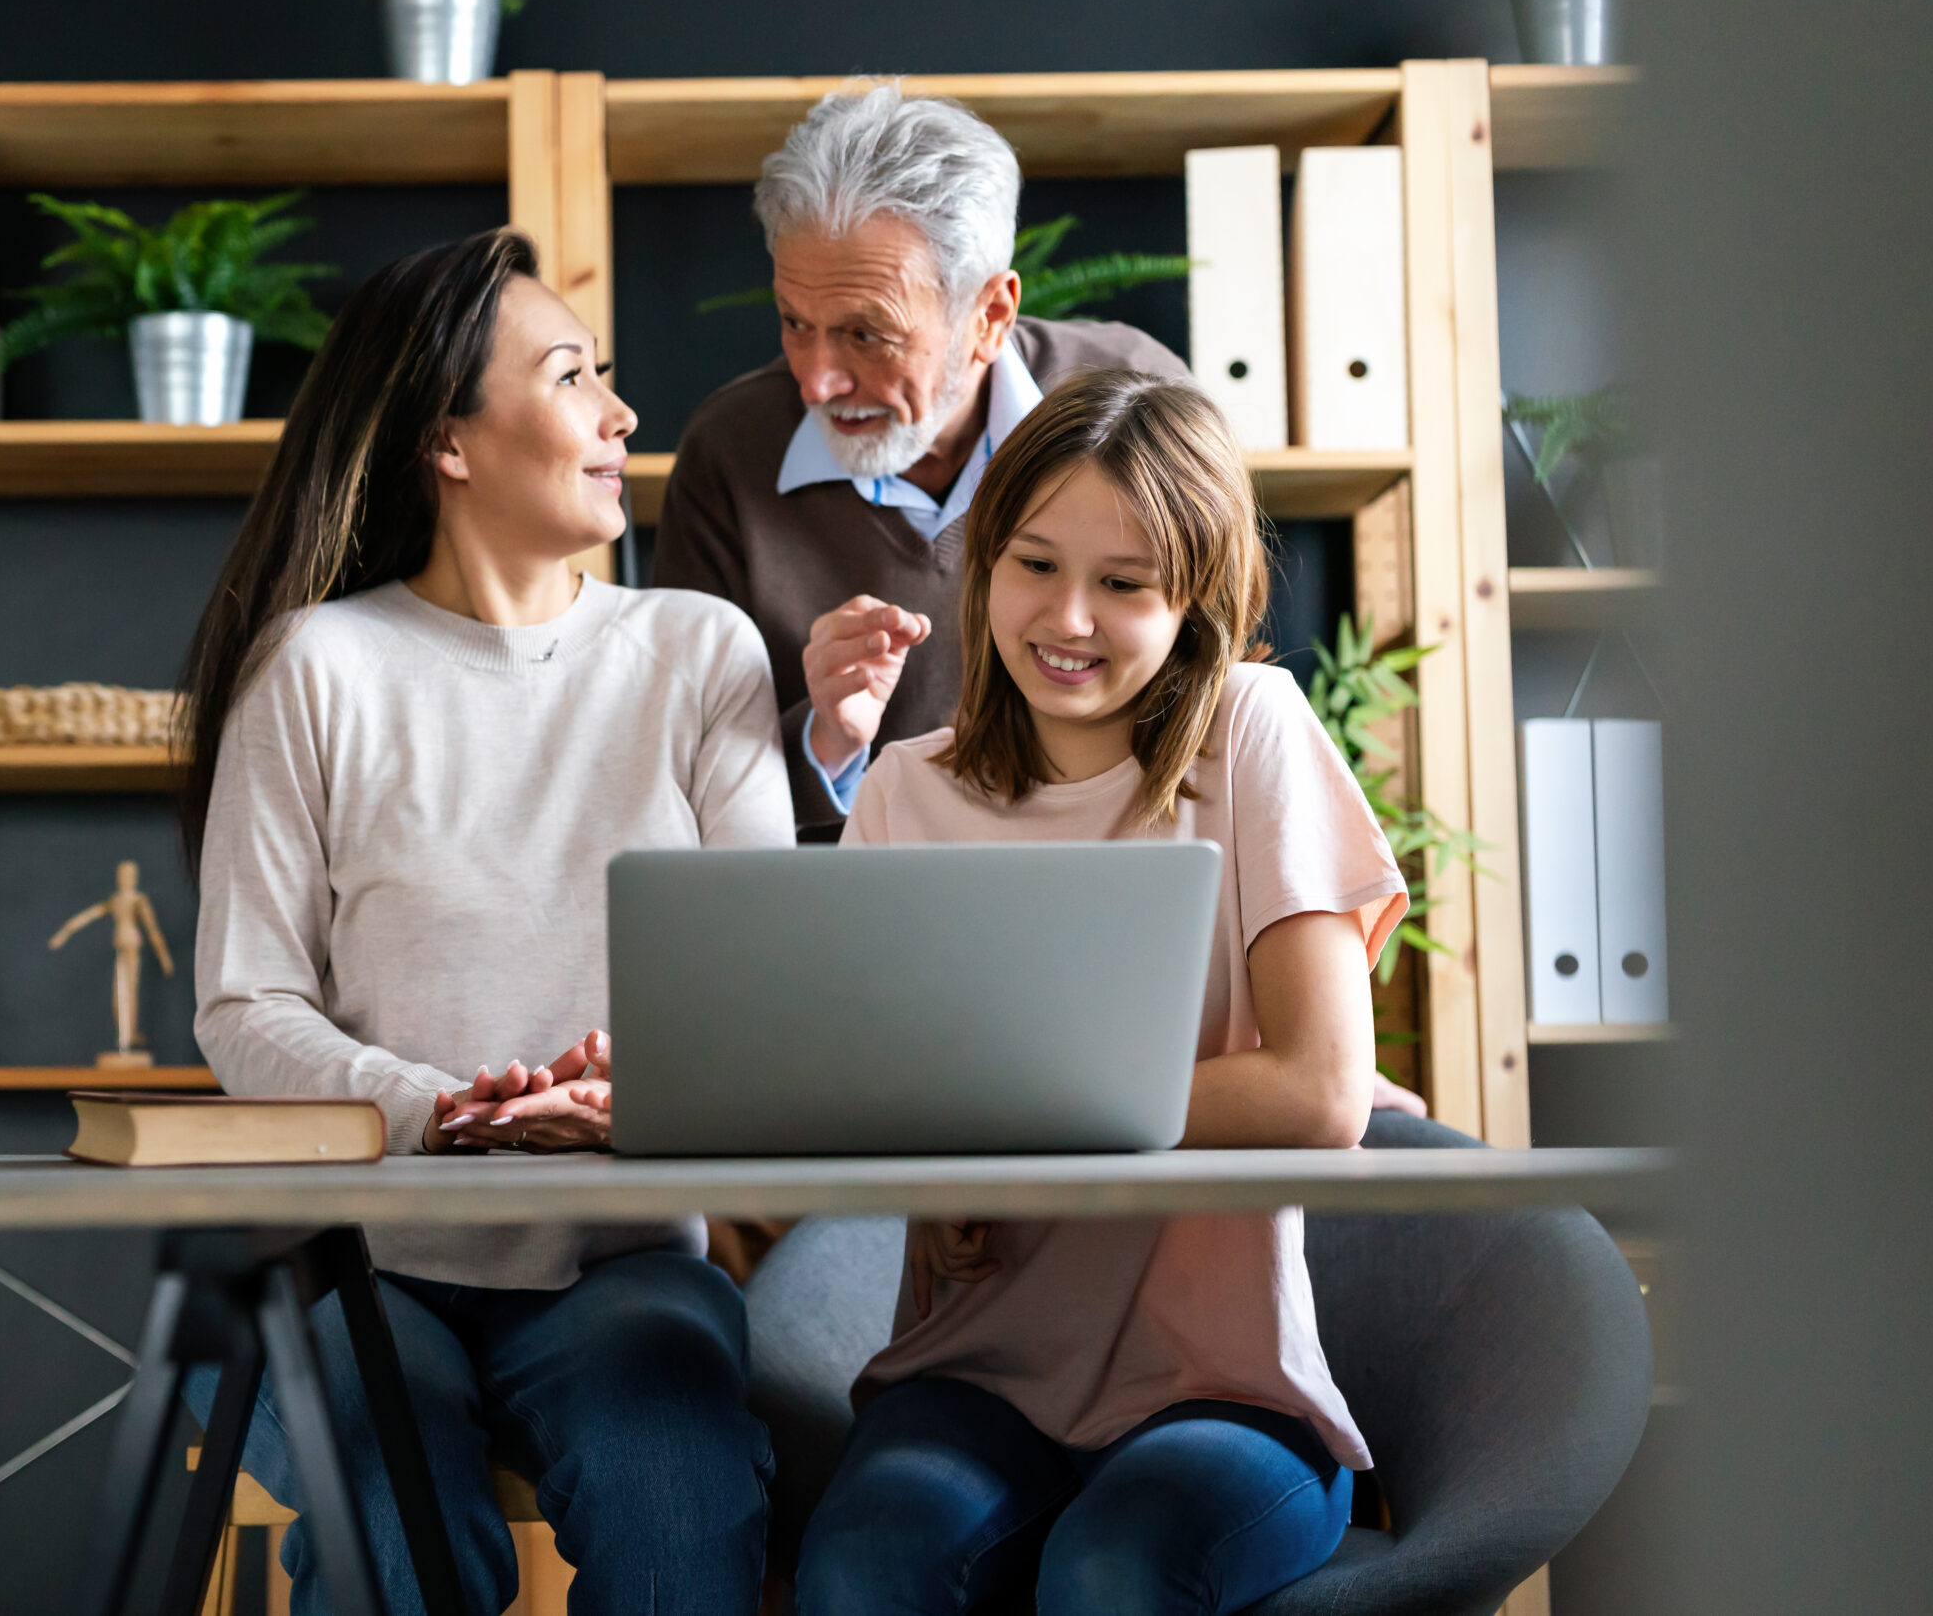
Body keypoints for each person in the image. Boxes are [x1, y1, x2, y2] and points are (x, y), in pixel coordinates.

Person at [176, 229, 793, 1616]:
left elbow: (761, 993)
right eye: (573, 376)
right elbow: (245, 1002)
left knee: (683, 1527)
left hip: (619, 1254)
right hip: (360, 1260)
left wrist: (634, 1097)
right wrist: (438, 1106)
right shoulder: (317, 666)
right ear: (449, 442)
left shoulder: (700, 654)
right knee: (402, 1539)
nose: (624, 414)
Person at [792, 370, 1404, 1616]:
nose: (1067, 618)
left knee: (1114, 1572)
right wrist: (944, 1182)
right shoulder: (905, 793)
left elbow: (1322, 1092)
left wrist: (1010, 1126)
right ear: (982, 570)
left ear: (1196, 601)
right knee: (862, 1566)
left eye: (1124, 584)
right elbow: (880, 1100)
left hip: (1225, 1390)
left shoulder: (1251, 730)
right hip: (973, 1372)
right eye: (1032, 564)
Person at [653, 81, 1189, 844]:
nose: (816, 380)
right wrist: (826, 741)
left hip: (1113, 873)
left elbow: (1216, 676)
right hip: (848, 920)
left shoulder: (1141, 400)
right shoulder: (727, 453)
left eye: (867, 334)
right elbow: (684, 785)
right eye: (795, 323)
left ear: (990, 316)